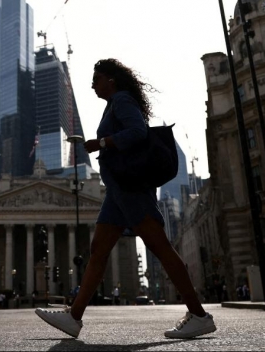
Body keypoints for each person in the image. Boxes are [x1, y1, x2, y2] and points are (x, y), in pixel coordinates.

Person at [35, 59, 216, 339]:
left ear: (111, 80)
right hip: (117, 191)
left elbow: (138, 132)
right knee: (98, 250)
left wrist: (102, 143)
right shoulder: (114, 103)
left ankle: (199, 315)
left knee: (160, 246)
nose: (92, 85)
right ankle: (74, 317)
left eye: (97, 79)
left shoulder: (121, 99)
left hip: (129, 187)